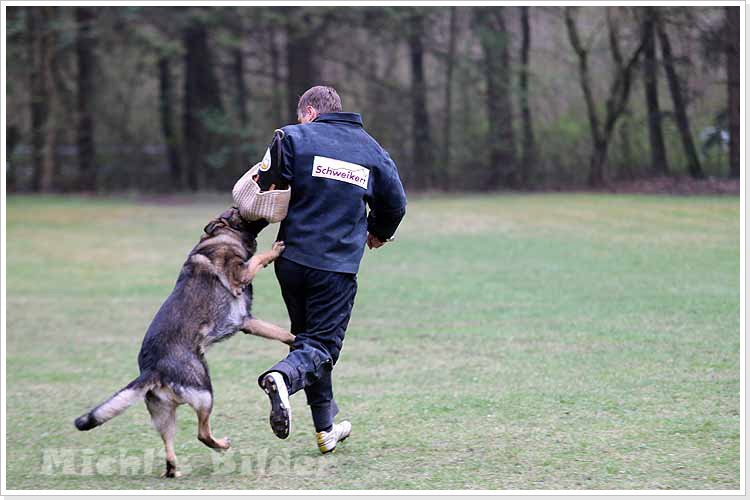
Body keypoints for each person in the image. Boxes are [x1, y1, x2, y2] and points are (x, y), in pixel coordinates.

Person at [255, 85, 407, 454]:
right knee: (322, 346)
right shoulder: (371, 150)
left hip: (290, 261)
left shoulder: (291, 138)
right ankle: (283, 376)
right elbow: (396, 203)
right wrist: (378, 232)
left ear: (309, 112)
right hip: (335, 267)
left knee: (308, 340)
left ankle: (325, 429)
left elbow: (265, 188)